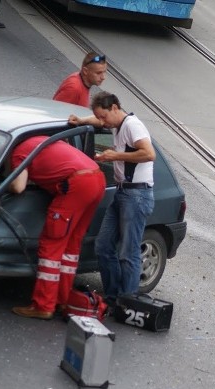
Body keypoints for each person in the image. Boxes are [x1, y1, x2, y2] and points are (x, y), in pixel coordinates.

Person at [69, 91, 155, 305]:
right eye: (100, 118)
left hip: (137, 194)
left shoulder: (132, 125)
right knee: (103, 245)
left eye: (104, 117)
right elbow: (97, 119)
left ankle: (128, 302)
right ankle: (113, 296)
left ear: (115, 108)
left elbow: (149, 153)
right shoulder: (116, 123)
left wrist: (115, 155)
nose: (102, 122)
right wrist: (81, 120)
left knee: (128, 251)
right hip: (123, 193)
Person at [8, 136, 106, 320]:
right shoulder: (43, 139)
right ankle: (63, 300)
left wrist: (8, 181)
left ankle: (43, 305)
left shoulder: (19, 153)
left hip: (77, 185)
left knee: (52, 245)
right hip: (97, 179)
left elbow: (19, 186)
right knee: (71, 247)